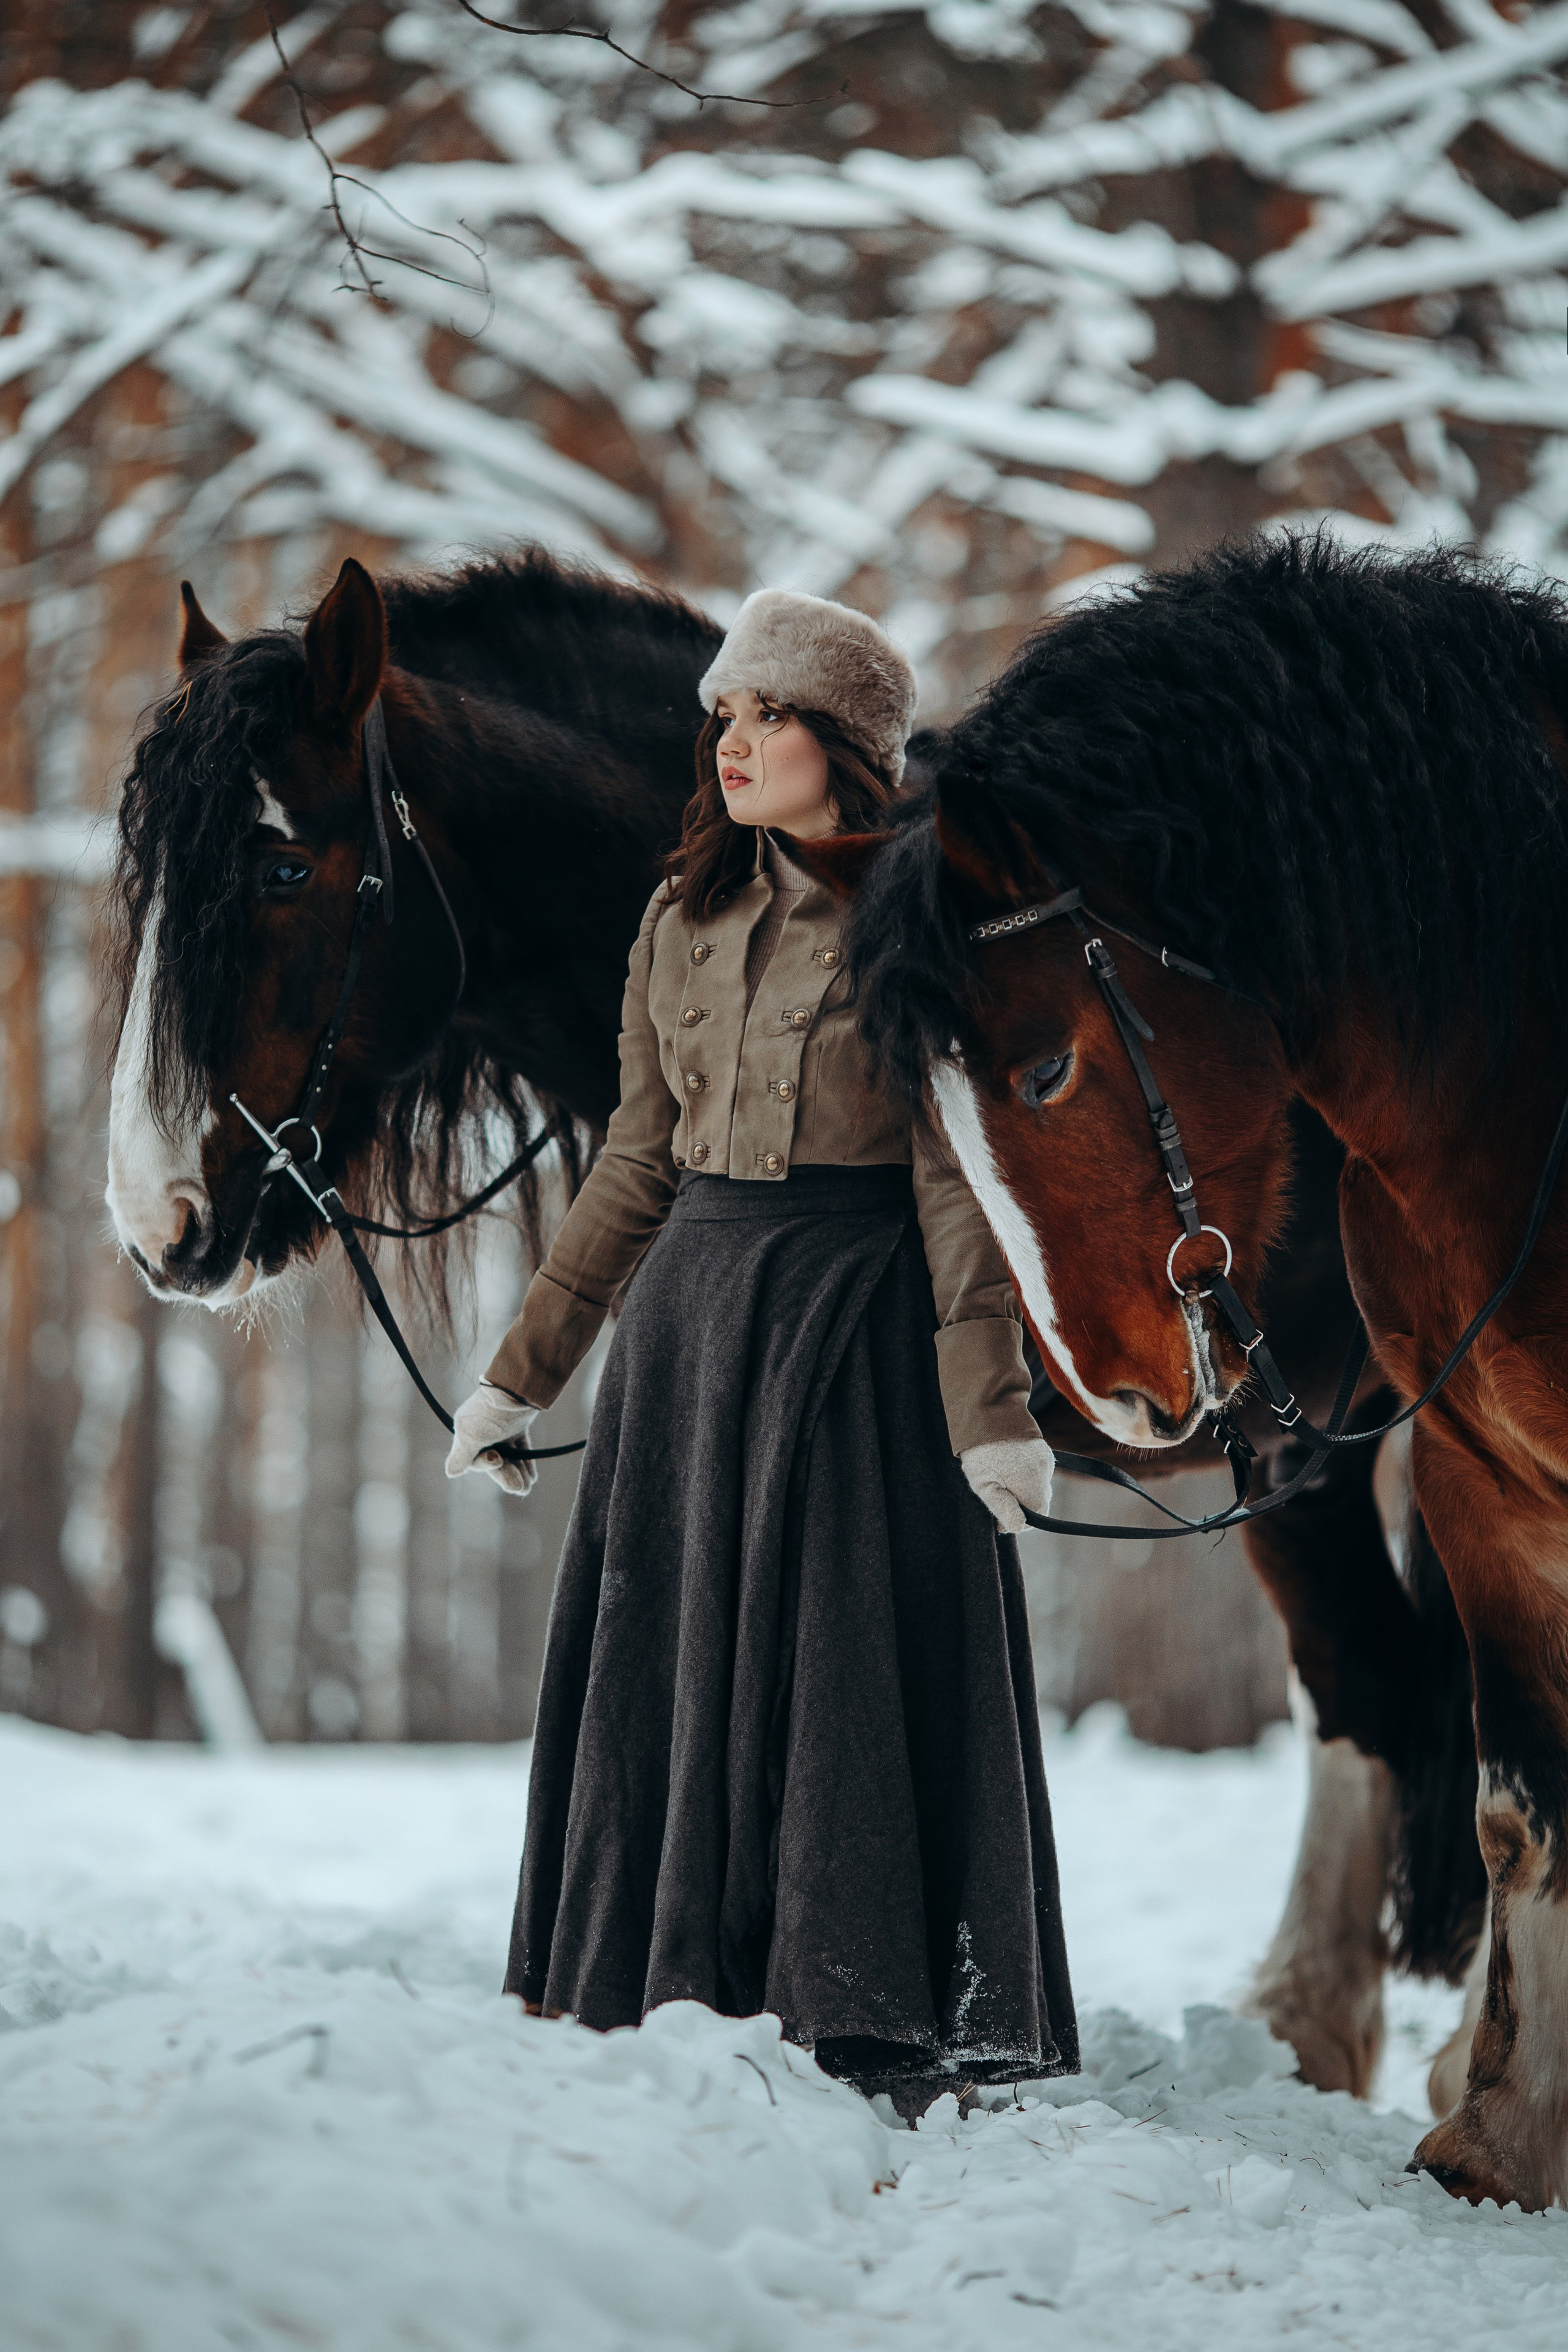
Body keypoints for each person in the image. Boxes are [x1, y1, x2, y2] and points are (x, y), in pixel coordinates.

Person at [447, 589, 1076, 2117]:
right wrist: (518, 1373)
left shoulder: (917, 915)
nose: (734, 745)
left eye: (771, 717)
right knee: (671, 1654)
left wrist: (989, 1409)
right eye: (724, 716)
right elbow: (633, 1168)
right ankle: (662, 1981)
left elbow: (952, 1181)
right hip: (687, 1330)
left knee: (843, 1671)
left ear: (847, 746)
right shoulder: (677, 917)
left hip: (854, 1330)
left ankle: (854, 2000)